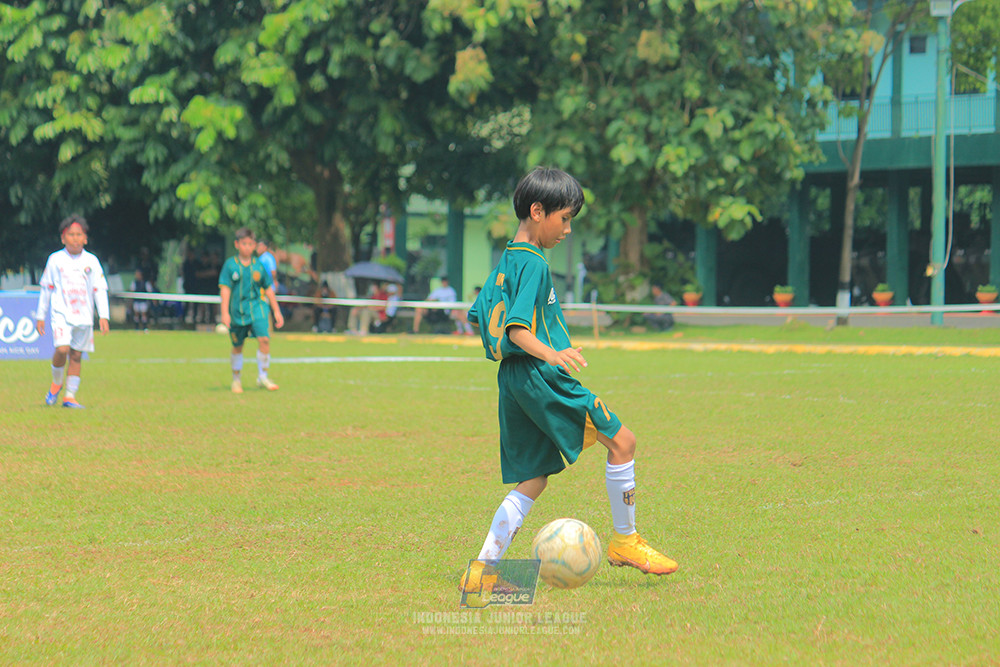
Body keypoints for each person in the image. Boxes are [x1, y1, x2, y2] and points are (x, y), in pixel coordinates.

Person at [462, 167, 678, 590]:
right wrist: (552, 353)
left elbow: (479, 315)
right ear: (537, 211)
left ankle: (482, 572)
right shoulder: (535, 264)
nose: (567, 229)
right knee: (623, 441)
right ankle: (626, 541)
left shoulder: (508, 258)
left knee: (534, 477)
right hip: (541, 376)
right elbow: (517, 330)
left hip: (513, 380)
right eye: (564, 218)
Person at [35, 214, 111, 409]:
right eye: (71, 234)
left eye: (79, 234)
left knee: (76, 355)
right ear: (63, 238)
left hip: (84, 316)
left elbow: (99, 289)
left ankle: (69, 396)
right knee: (62, 349)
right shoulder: (55, 259)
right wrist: (40, 315)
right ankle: (56, 383)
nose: (75, 238)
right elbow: (47, 288)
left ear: (85, 238)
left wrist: (104, 315)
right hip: (61, 313)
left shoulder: (92, 261)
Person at [219, 228, 285, 393]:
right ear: (237, 244)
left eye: (250, 244)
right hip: (238, 312)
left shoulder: (258, 265)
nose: (247, 247)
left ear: (254, 245)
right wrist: (224, 312)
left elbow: (268, 288)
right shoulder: (230, 265)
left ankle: (263, 376)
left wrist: (276, 311)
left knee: (264, 340)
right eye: (244, 244)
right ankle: (236, 380)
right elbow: (225, 289)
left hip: (257, 308)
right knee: (238, 346)